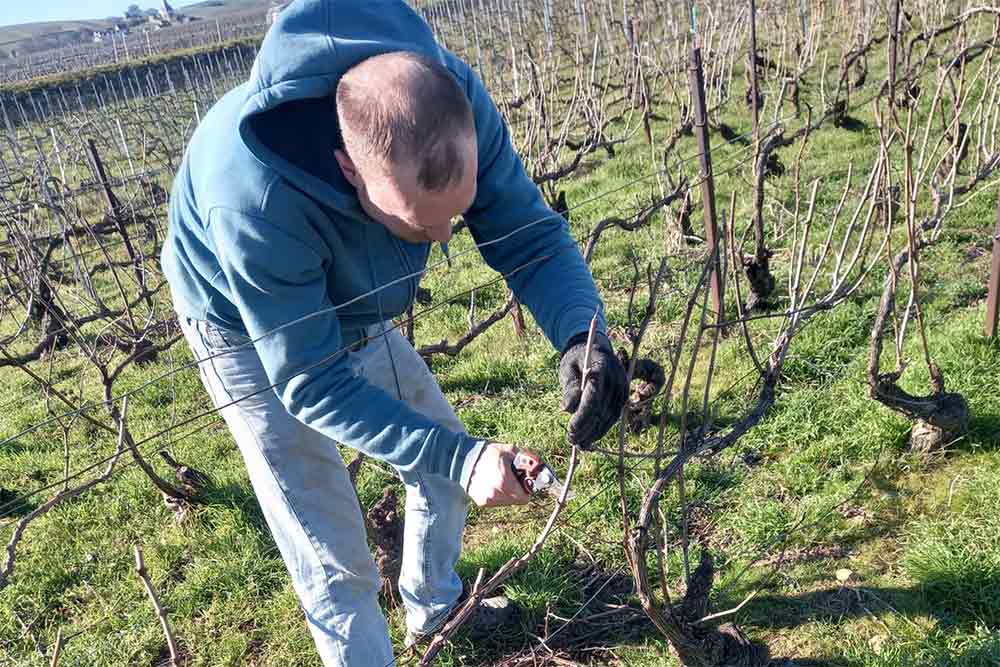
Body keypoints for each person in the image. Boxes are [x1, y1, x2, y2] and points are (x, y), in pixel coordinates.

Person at [161, 0, 627, 664]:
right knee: (334, 559)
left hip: (352, 292)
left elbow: (531, 238)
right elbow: (311, 381)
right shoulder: (253, 198)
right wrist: (465, 459)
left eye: (455, 216)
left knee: (439, 464)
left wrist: (585, 336)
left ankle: (435, 608)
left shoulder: (445, 100)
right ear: (351, 169)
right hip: (243, 324)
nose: (443, 239)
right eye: (419, 224)